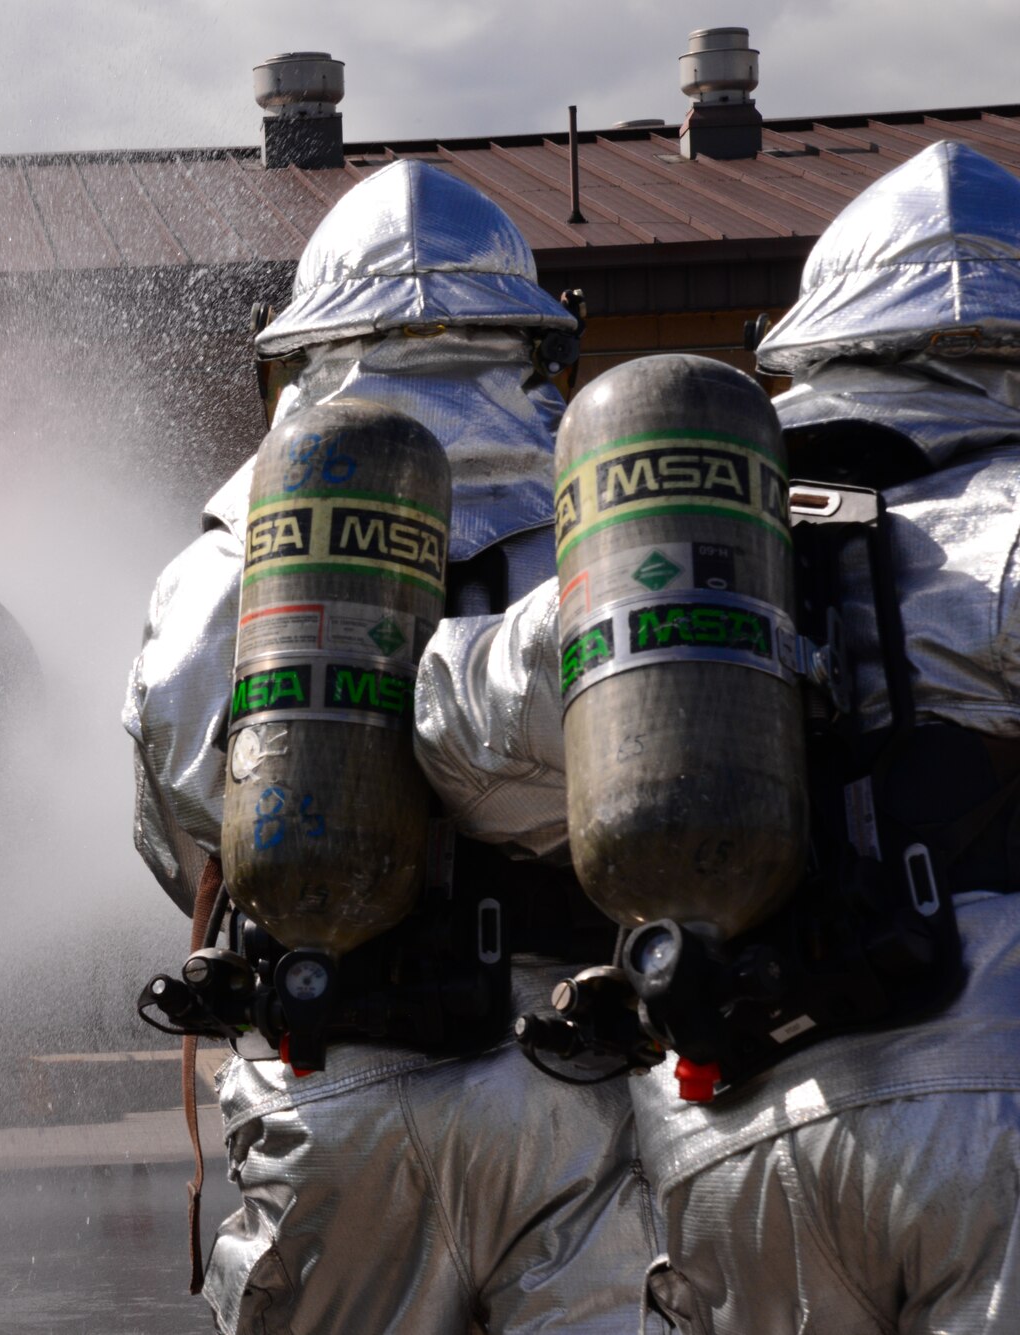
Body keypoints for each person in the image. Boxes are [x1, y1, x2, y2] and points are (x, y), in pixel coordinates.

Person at [415, 139, 1020, 1334]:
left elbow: (447, 726)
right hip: (988, 1106)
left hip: (719, 1133)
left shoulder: (650, 555)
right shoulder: (997, 520)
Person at [124, 159, 656, 1334]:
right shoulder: (615, 522)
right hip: (568, 1068)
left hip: (329, 1072)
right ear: (524, 344)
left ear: (306, 353)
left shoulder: (229, 557)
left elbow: (179, 806)